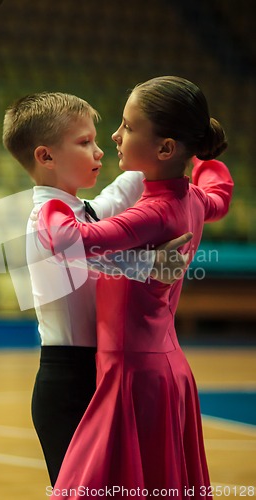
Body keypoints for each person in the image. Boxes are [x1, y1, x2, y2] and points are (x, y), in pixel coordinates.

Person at [36, 77, 234, 498]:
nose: (115, 135)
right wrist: (206, 160)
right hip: (166, 367)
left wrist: (47, 203)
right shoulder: (190, 200)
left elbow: (74, 239)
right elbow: (220, 194)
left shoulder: (152, 212)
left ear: (164, 149)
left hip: (131, 374)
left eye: (127, 126)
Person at [2, 92, 193, 486]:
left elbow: (117, 195)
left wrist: (175, 147)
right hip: (68, 381)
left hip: (102, 373)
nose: (100, 150)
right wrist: (149, 265)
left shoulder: (79, 209)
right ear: (45, 157)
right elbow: (82, 250)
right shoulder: (48, 216)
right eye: (84, 142)